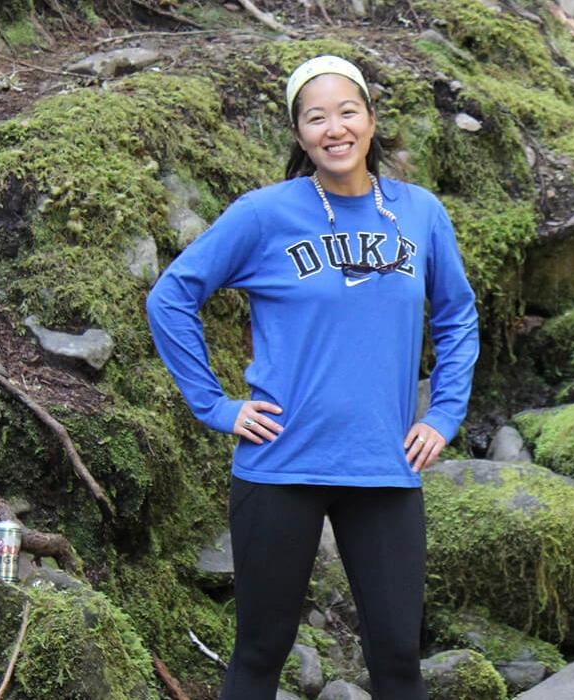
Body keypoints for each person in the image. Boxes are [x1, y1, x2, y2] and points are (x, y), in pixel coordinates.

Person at [145, 55, 479, 700]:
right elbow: (171, 297)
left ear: (372, 122)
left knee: (398, 658)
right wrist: (215, 405)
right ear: (299, 134)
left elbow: (459, 317)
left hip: (382, 465)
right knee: (262, 651)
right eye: (316, 117)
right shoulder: (266, 214)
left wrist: (442, 413)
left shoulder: (420, 213)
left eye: (348, 112)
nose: (335, 128)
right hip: (280, 464)